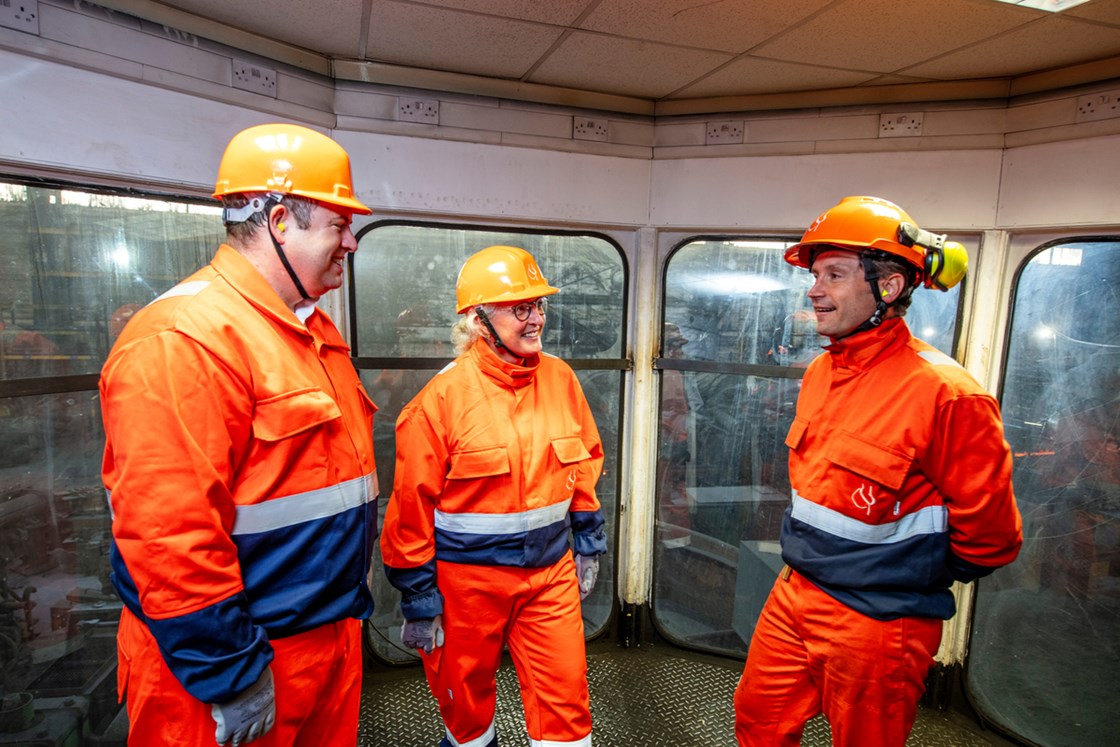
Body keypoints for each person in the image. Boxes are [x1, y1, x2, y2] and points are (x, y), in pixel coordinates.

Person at [100, 123, 378, 747]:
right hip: (229, 663)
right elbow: (169, 534)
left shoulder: (311, 334)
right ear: (281, 220)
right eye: (338, 225)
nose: (351, 243)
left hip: (326, 640)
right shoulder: (184, 339)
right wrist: (230, 672)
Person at [734, 196, 1023, 747]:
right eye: (815, 274)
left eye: (834, 275)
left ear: (888, 288)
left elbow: (992, 538)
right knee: (758, 721)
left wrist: (901, 576)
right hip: (796, 591)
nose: (814, 289)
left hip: (881, 619)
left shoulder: (947, 395)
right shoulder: (822, 371)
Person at [380, 245, 606, 747]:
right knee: (468, 717)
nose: (536, 320)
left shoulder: (561, 379)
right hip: (465, 587)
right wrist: (419, 596)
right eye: (519, 308)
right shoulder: (439, 401)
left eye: (539, 306)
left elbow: (584, 461)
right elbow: (409, 510)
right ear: (478, 320)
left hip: (549, 576)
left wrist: (588, 539)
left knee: (568, 710)